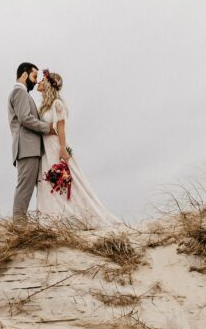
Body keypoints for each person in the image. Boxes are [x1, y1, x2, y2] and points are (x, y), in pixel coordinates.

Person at [35, 69, 121, 227]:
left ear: (48, 84)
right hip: (45, 148)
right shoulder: (44, 106)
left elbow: (61, 128)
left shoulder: (57, 104)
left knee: (64, 180)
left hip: (55, 146)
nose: (39, 82)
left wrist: (62, 149)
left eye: (42, 80)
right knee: (49, 182)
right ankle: (53, 217)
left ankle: (81, 216)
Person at [7, 62, 55, 221]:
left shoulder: (22, 94)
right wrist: (47, 128)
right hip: (27, 148)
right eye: (34, 76)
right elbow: (25, 118)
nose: (36, 81)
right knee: (24, 188)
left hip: (30, 148)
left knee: (29, 188)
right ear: (25, 75)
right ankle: (19, 224)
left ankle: (21, 222)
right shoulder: (19, 92)